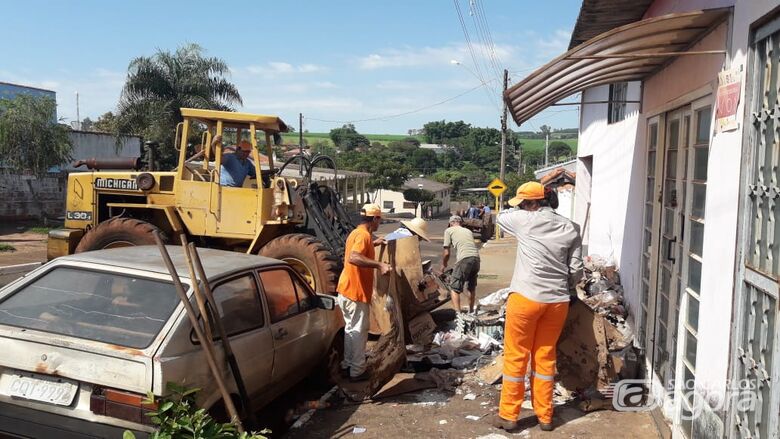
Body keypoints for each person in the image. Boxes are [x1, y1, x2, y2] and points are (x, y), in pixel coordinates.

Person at [491, 181, 583, 432]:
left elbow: (500, 217)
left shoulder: (524, 220)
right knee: (545, 357)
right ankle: (545, 416)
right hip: (557, 302)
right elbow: (575, 271)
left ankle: (509, 415)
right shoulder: (572, 228)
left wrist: (525, 205)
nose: (520, 207)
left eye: (523, 203)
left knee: (516, 356)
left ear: (532, 204)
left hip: (525, 297)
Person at [337, 203, 392, 382]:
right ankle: (358, 371)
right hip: (356, 290)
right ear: (374, 218)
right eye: (379, 220)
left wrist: (374, 243)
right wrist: (380, 264)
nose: (379, 223)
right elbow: (354, 257)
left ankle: (348, 365)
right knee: (360, 331)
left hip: (345, 289)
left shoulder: (357, 233)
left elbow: (358, 250)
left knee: (350, 329)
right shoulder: (363, 235)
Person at [441, 215, 481, 314]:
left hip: (464, 259)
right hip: (476, 258)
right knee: (471, 287)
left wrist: (443, 264)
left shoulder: (448, 231)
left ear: (450, 223)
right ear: (461, 223)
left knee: (454, 288)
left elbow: (446, 253)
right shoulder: (468, 231)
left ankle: (458, 316)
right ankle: (471, 312)